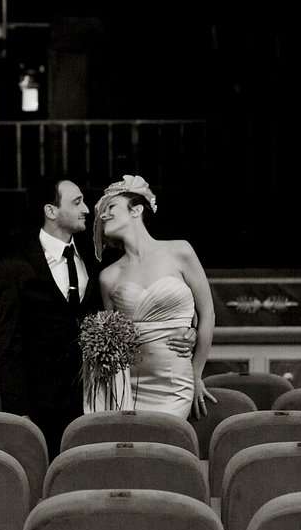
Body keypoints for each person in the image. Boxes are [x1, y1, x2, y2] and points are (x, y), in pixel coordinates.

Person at [0, 176, 102, 458]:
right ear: (51, 211)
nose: (86, 209)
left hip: (92, 403)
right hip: (41, 409)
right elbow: (8, 345)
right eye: (77, 202)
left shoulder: (94, 258)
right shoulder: (15, 266)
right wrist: (18, 413)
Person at [93, 174, 217, 419]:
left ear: (136, 210)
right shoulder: (108, 276)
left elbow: (208, 314)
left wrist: (197, 374)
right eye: (101, 212)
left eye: (111, 207)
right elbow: (112, 341)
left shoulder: (180, 251)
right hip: (127, 386)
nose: (103, 215)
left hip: (175, 385)